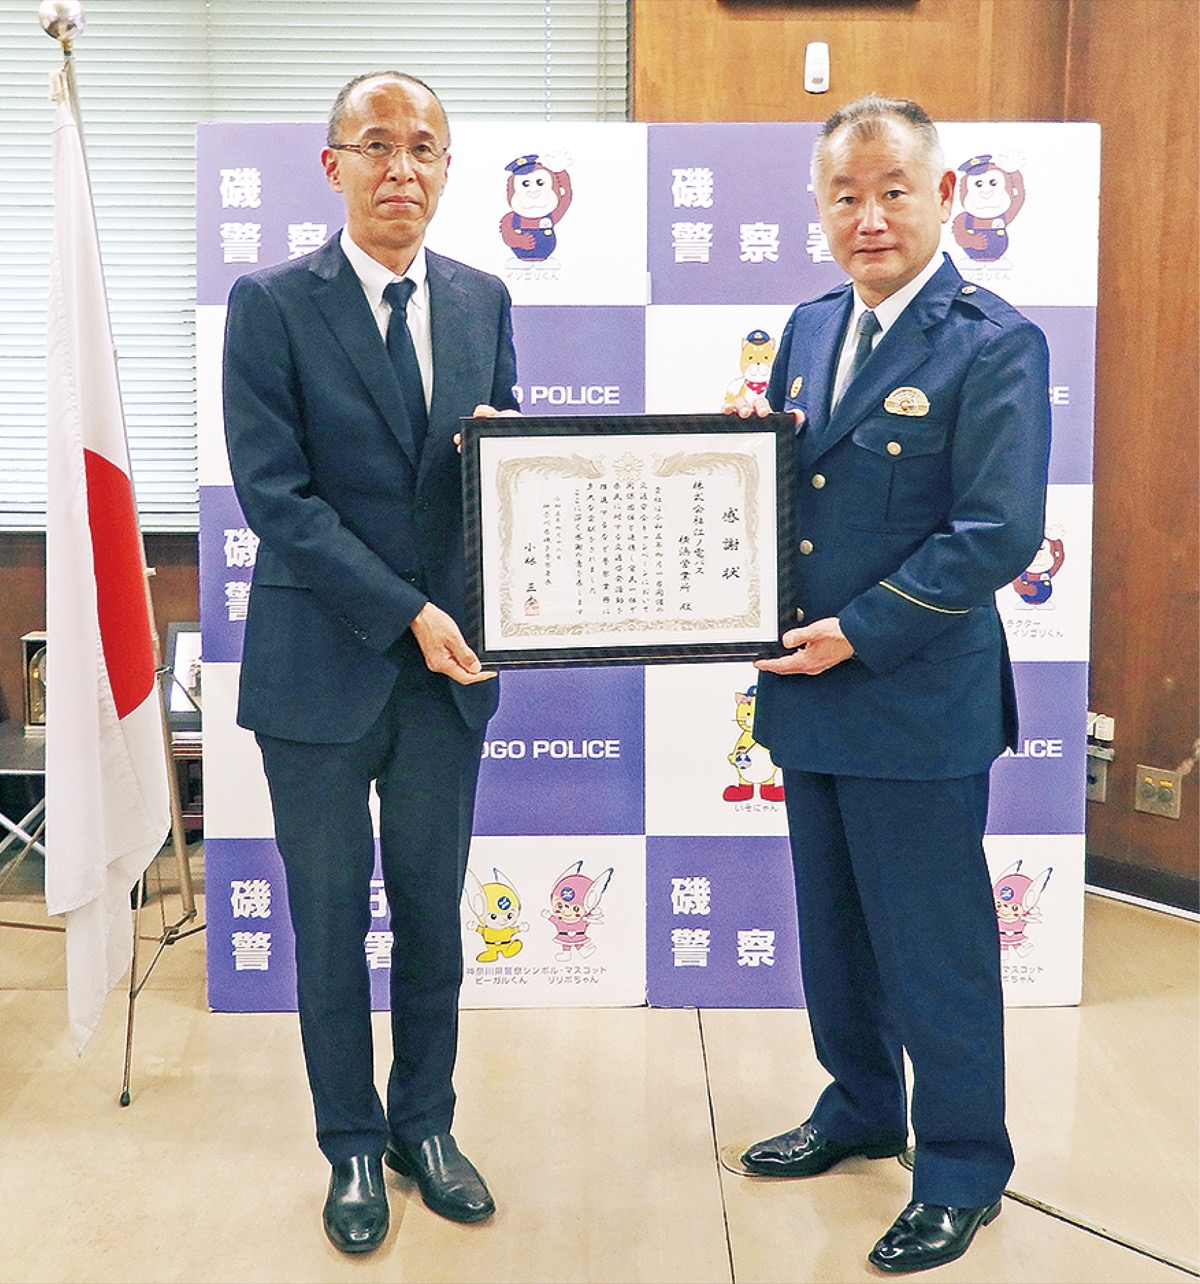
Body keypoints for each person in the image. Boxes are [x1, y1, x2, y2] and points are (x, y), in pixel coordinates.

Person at [726, 95, 1051, 1274]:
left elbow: (997, 531)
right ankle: (861, 1106)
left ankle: (960, 1167)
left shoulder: (993, 341)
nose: (869, 218)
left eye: (893, 192)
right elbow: (801, 492)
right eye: (845, 197)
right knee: (836, 936)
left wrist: (859, 633)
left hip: (915, 694)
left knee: (934, 948)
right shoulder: (810, 326)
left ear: (944, 195)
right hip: (810, 691)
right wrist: (738, 450)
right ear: (819, 209)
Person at [222, 71, 519, 1254]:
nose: (403, 169)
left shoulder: (484, 299)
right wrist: (408, 613)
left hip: (450, 676)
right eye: (378, 145)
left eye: (425, 148)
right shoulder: (271, 304)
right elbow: (277, 496)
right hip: (320, 667)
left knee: (436, 918)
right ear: (333, 164)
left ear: (447, 168)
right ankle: (349, 1143)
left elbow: (504, 474)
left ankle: (424, 1127)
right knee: (331, 920)